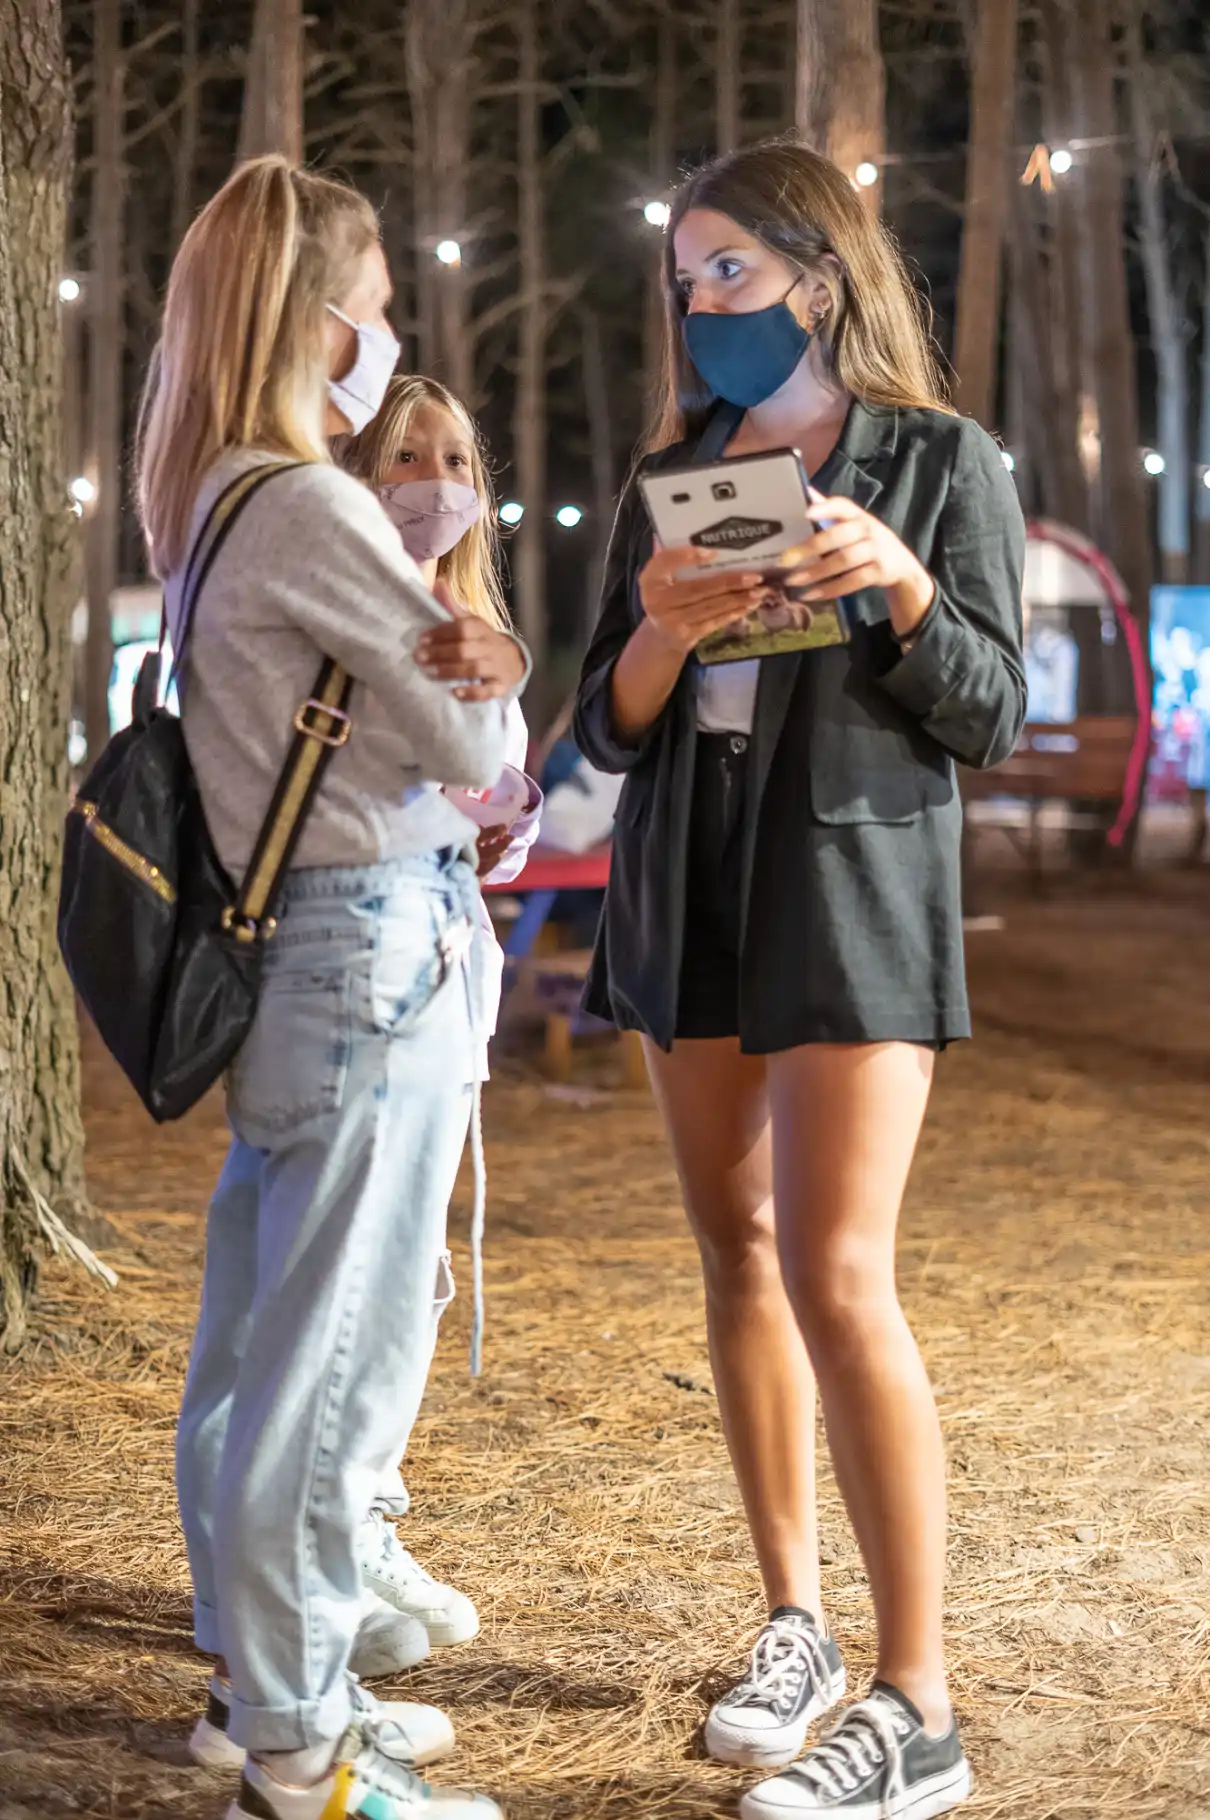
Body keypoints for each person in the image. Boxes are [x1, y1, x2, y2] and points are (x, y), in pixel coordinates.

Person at [574, 138, 1025, 1820]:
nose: (699, 310)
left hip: (849, 895)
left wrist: (902, 591)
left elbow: (991, 708)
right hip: (689, 893)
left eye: (727, 277)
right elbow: (598, 732)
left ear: (815, 281)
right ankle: (795, 1624)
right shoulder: (675, 470)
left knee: (842, 1271)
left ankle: (921, 1700)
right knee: (738, 1249)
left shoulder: (935, 460)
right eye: (684, 283)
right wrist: (662, 630)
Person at [141, 155, 528, 1820]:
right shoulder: (307, 502)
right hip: (371, 941)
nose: (383, 340)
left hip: (299, 955)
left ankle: (263, 1684)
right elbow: (468, 743)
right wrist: (495, 676)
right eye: (370, 309)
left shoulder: (215, 490)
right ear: (316, 321)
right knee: (332, 1364)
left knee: (257, 1346)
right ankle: (303, 1749)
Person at [338, 372, 541, 1620]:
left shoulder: (480, 626)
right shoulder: (345, 599)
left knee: (412, 1269)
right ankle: (326, 1530)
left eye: (456, 458)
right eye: (406, 457)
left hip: (450, 961)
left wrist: (502, 822)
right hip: (362, 964)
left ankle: (365, 1506)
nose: (436, 482)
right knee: (353, 1264)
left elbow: (495, 821)